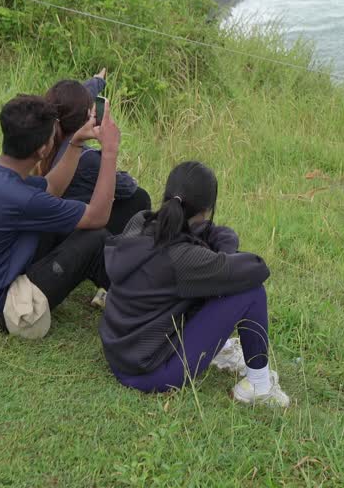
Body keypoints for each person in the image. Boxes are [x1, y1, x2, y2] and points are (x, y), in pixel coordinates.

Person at [99, 161, 290, 407]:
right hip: (151, 373)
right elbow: (257, 267)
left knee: (215, 278)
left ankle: (222, 350)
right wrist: (223, 257)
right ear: (207, 209)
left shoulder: (140, 222)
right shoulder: (183, 259)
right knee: (251, 292)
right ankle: (259, 385)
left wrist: (219, 254)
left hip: (120, 356)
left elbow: (214, 235)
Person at [0, 93, 122, 338]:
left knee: (62, 220)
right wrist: (110, 152)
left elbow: (51, 188)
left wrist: (75, 142)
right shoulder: (22, 199)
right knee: (95, 237)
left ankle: (124, 293)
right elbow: (98, 216)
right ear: (43, 149)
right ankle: (139, 305)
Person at [42, 70, 150, 235]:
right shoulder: (86, 158)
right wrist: (110, 149)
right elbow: (126, 187)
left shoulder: (43, 137)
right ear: (88, 115)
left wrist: (97, 81)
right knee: (140, 197)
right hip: (71, 231)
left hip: (56, 218)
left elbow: (69, 100)